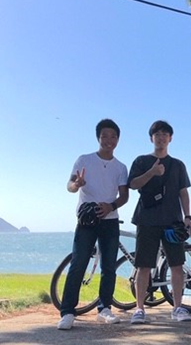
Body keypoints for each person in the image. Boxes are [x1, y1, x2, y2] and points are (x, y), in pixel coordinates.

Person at [57, 119, 129, 330]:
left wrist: (111, 206)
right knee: (78, 263)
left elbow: (124, 196)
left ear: (118, 139)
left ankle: (104, 308)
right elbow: (70, 186)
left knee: (109, 267)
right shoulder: (84, 160)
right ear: (98, 137)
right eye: (104, 135)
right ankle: (67, 312)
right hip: (87, 221)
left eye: (113, 136)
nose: (109, 140)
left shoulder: (121, 167)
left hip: (110, 221)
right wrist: (76, 184)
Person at [128, 120, 191, 324]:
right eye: (157, 134)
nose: (161, 138)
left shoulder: (178, 165)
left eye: (165, 134)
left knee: (177, 264)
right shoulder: (141, 161)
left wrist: (188, 217)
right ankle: (139, 309)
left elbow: (183, 192)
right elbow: (132, 184)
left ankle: (177, 307)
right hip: (146, 219)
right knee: (143, 266)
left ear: (170, 138)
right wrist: (152, 172)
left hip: (172, 221)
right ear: (151, 138)